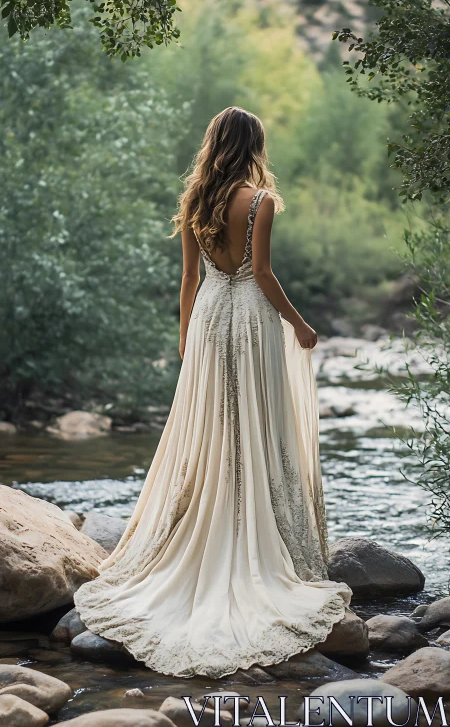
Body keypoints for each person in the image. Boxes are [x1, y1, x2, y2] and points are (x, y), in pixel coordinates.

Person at [74, 106, 351, 678]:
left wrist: (184, 338)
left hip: (207, 321)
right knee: (259, 419)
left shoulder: (197, 199)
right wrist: (300, 325)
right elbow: (266, 276)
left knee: (214, 425)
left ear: (214, 144)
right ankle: (261, 528)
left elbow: (189, 279)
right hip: (251, 317)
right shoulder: (261, 202)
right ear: (254, 145)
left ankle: (205, 513)